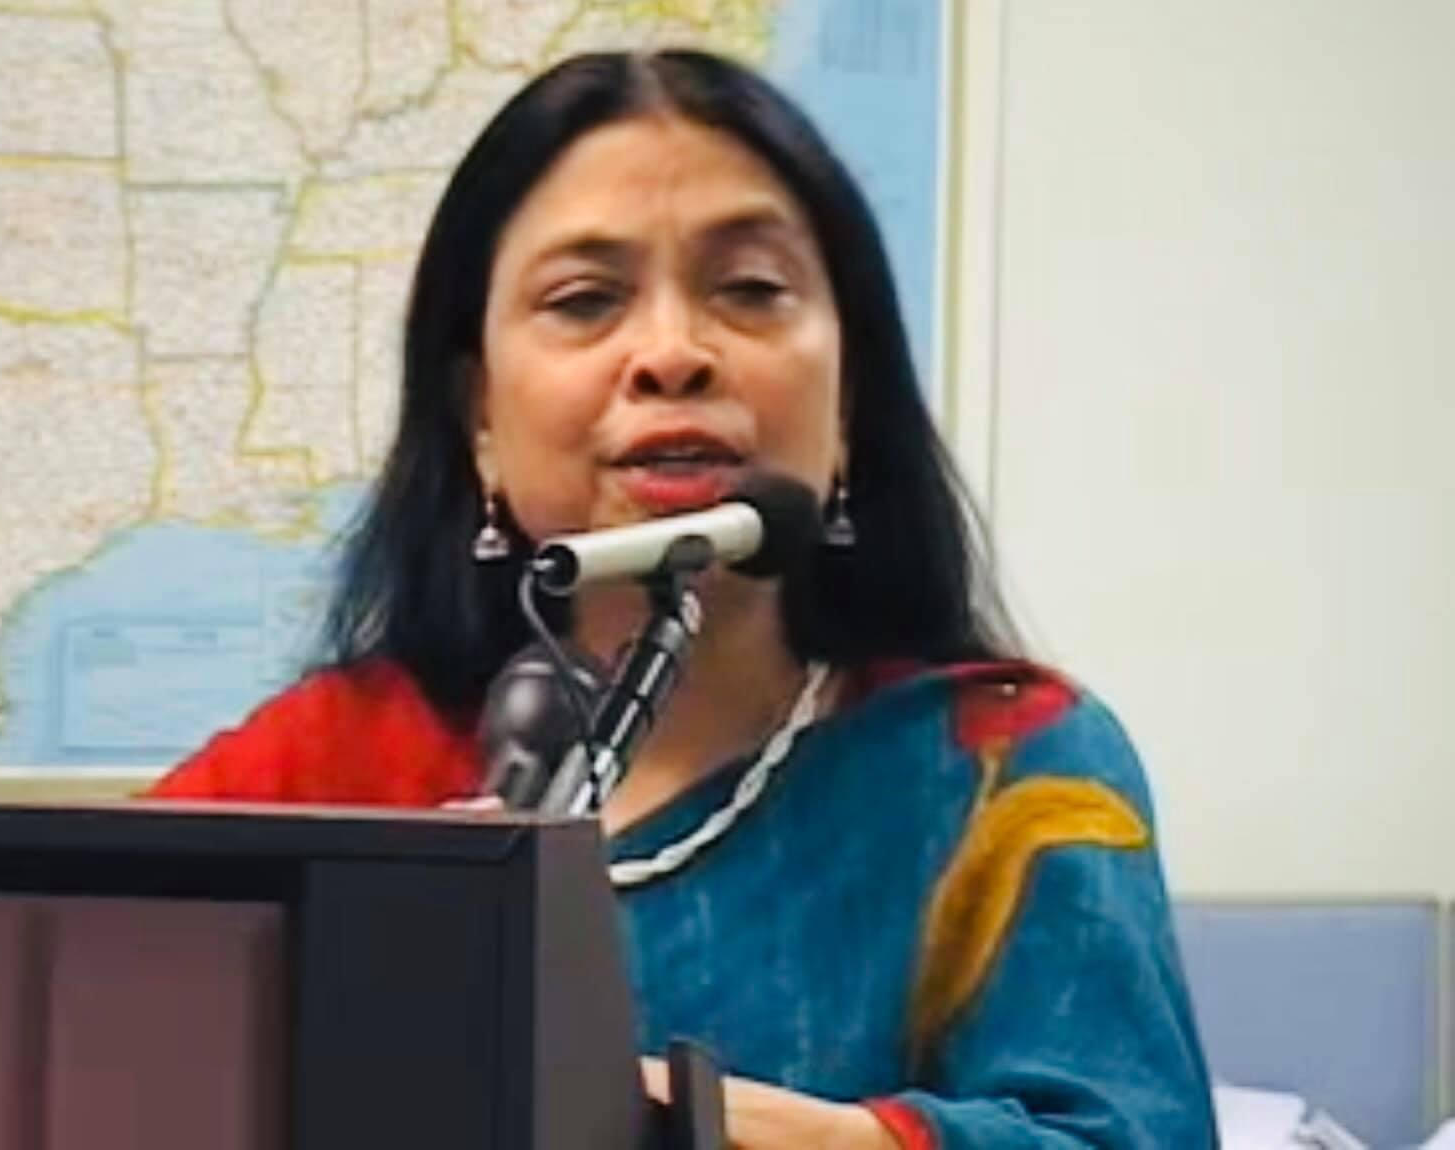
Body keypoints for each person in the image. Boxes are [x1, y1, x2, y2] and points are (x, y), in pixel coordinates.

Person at [148, 49, 1216, 1149]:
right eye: (584, 300)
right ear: (479, 418)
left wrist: (807, 1139)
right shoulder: (334, 765)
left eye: (749, 289)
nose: (670, 354)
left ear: (849, 400)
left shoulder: (1003, 772)